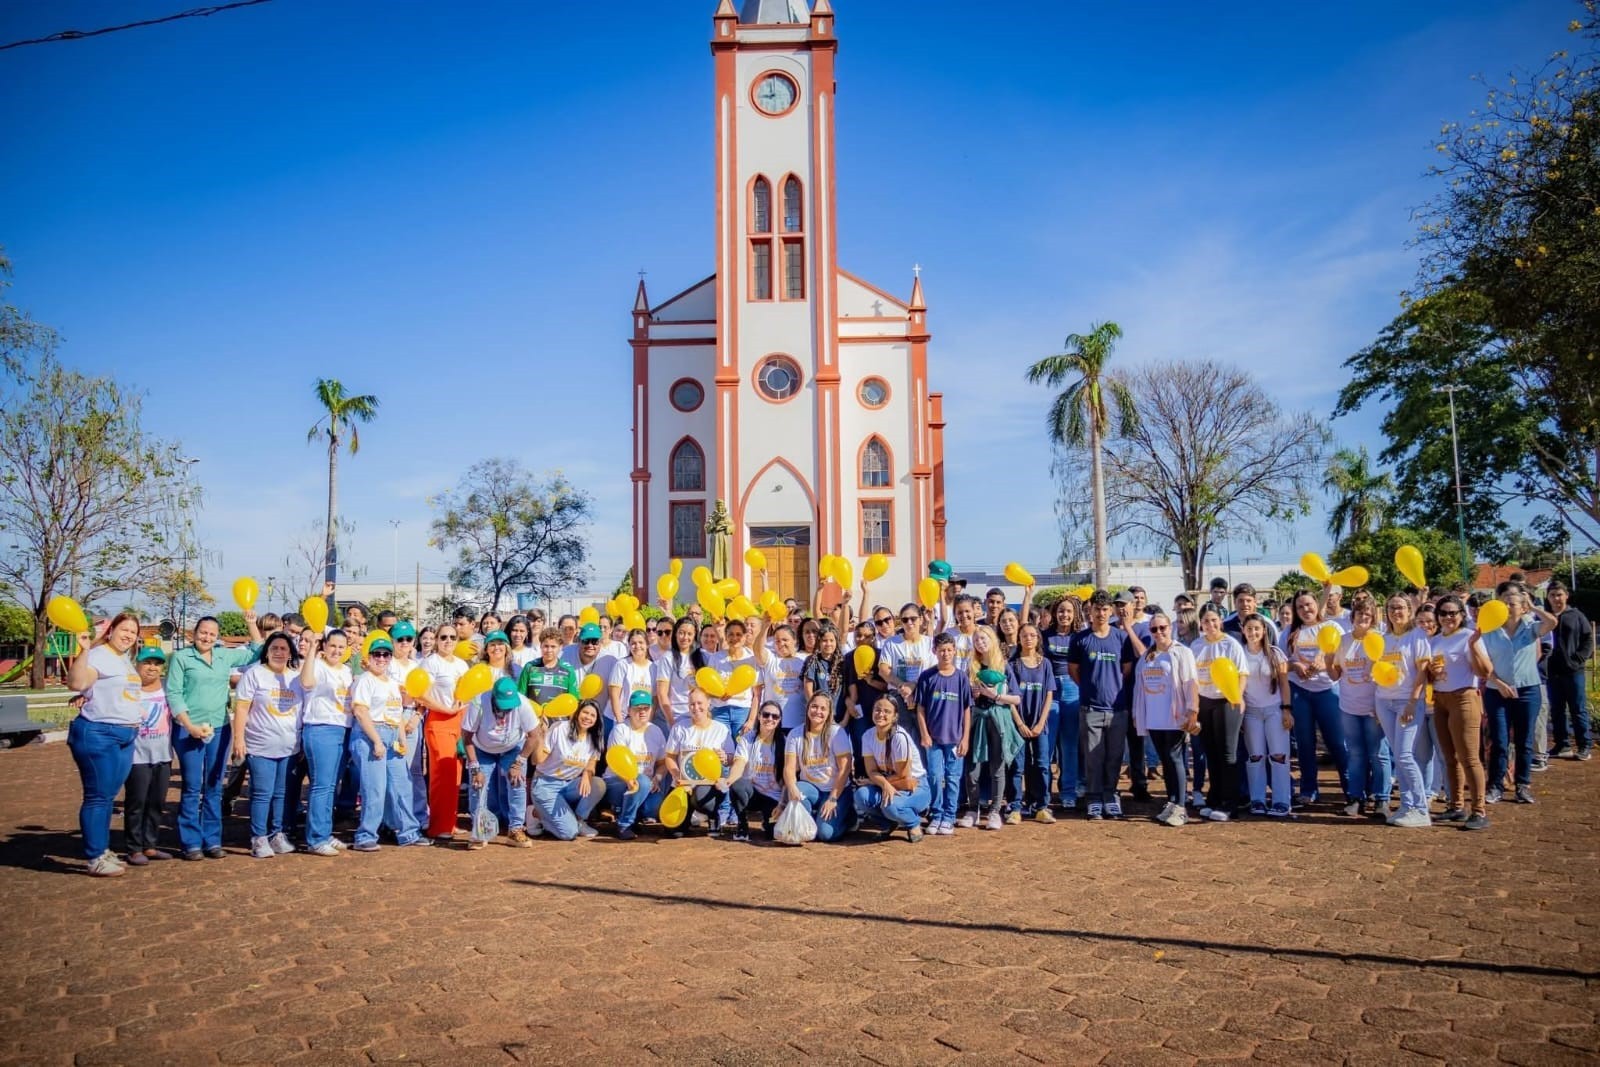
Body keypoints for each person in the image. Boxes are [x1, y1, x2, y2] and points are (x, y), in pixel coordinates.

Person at [166, 614, 262, 861]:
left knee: (214, 785)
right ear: (194, 634)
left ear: (217, 637)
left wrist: (251, 623)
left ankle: (212, 840)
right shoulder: (181, 657)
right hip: (189, 730)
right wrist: (189, 725)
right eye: (203, 632)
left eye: (212, 634)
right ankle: (191, 842)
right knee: (191, 786)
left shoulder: (223, 656)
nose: (207, 637)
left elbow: (258, 650)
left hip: (219, 728)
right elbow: (174, 694)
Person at [65, 613, 146, 876]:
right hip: (99, 733)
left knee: (108, 796)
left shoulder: (124, 659)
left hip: (125, 735)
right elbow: (78, 682)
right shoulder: (98, 655)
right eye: (124, 629)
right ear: (111, 631)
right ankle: (95, 856)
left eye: (133, 632)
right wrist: (84, 651)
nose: (128, 635)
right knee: (97, 797)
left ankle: (102, 848)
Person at [1480, 588, 1559, 804]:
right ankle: (1495, 785)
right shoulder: (1490, 631)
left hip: (1527, 690)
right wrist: (1498, 682)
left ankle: (1522, 785)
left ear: (1522, 608)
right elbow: (1482, 662)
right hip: (1497, 691)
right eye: (1503, 602)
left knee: (1525, 740)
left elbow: (1552, 622)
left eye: (1512, 604)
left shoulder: (1531, 627)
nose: (1506, 607)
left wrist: (1532, 607)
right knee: (1500, 740)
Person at [231, 631, 305, 859]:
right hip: (260, 745)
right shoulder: (254, 674)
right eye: (274, 648)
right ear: (267, 651)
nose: (279, 653)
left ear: (290, 653)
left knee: (281, 793)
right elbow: (242, 707)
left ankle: (277, 834)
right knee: (263, 793)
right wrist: (238, 738)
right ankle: (259, 837)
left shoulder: (296, 678)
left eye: (284, 649)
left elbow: (300, 711)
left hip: (289, 746)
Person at [347, 636, 426, 851]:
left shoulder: (392, 684)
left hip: (391, 734)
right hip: (370, 734)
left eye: (386, 654)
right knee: (375, 788)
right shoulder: (364, 680)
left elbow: (396, 714)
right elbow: (360, 712)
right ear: (369, 656)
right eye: (377, 654)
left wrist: (401, 739)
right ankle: (365, 836)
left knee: (402, 785)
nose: (381, 659)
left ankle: (409, 832)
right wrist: (376, 741)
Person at [1070, 591, 1135, 821]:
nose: (1101, 613)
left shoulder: (1122, 638)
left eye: (1105, 609)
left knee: (1115, 756)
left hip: (1117, 709)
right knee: (1093, 758)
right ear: (1090, 611)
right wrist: (1091, 687)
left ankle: (1111, 796)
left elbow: (1126, 669)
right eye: (1097, 609)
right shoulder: (1080, 639)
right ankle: (1094, 798)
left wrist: (1111, 686)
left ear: (1111, 611)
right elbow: (1073, 670)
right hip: (1091, 709)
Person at [1429, 594, 1492, 830]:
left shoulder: (1469, 636)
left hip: (1464, 697)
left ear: (1462, 615)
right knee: (1449, 757)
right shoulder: (1435, 640)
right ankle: (1455, 806)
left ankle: (1479, 810)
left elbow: (1485, 671)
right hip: (1440, 699)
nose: (1447, 617)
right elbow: (1428, 675)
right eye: (1443, 613)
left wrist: (1474, 645)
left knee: (1469, 757)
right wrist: (1431, 672)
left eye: (1452, 613)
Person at [1281, 589, 1349, 807]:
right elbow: (1281, 663)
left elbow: (1345, 657)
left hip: (1328, 690)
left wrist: (1326, 662)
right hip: (1299, 691)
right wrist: (1295, 665)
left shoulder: (1332, 627)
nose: (1305, 609)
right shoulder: (1289, 632)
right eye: (1300, 607)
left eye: (1308, 604)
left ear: (1317, 605)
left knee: (1337, 742)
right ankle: (1309, 789)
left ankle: (1352, 790)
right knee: (1305, 743)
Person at [1131, 611, 1199, 827]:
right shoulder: (1147, 656)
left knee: (1175, 757)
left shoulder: (1182, 652)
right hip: (1154, 718)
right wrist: (1137, 714)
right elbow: (1139, 687)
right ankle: (1172, 801)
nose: (1158, 632)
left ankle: (1181, 806)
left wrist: (1192, 710)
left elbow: (1191, 682)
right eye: (1154, 629)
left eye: (1163, 628)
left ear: (1170, 628)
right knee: (1165, 760)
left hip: (1175, 717)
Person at [1372, 595, 1434, 827]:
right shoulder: (1383, 638)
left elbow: (1422, 673)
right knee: (1398, 756)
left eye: (1400, 607)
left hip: (1407, 702)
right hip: (1384, 701)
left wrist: (1412, 702)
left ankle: (1421, 808)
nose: (1395, 611)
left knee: (1405, 755)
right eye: (1391, 607)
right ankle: (1406, 806)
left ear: (1409, 610)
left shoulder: (1417, 636)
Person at [1328, 595, 1390, 819]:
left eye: (1368, 614)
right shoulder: (1343, 641)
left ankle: (1381, 799)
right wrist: (1327, 658)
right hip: (1349, 707)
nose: (1363, 617)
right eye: (1360, 613)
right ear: (1352, 617)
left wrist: (1382, 705)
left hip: (1374, 707)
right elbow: (1335, 675)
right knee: (1355, 754)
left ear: (1373, 618)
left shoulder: (1381, 640)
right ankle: (1355, 798)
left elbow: (1387, 674)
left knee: (1379, 754)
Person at [462, 677, 540, 848]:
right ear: (493, 698)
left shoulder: (523, 703)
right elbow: (466, 737)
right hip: (482, 749)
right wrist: (475, 769)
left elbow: (534, 735)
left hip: (512, 747)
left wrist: (518, 763)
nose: (506, 709)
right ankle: (479, 831)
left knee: (517, 782)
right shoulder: (478, 703)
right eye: (502, 705)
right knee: (478, 786)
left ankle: (515, 830)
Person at [959, 626, 1023, 832]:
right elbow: (964, 697)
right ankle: (973, 809)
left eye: (983, 638)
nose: (980, 642)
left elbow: (1017, 698)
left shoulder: (1003, 666)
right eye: (976, 640)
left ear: (992, 639)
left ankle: (995, 811)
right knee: (973, 768)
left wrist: (995, 695)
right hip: (977, 719)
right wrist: (974, 694)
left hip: (999, 719)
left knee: (997, 767)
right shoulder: (971, 667)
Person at [1189, 604, 1249, 822]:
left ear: (1221, 621)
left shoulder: (1231, 644)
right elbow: (1192, 678)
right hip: (1205, 702)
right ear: (1201, 624)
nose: (1210, 624)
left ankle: (1230, 804)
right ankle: (1214, 799)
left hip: (1227, 701)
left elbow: (1242, 674)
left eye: (1214, 620)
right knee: (1211, 752)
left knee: (1227, 753)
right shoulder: (1196, 645)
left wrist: (1237, 697)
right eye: (1206, 621)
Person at [297, 628, 354, 856]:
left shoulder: (347, 671)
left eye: (341, 647)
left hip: (343, 729)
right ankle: (315, 838)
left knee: (331, 785)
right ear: (325, 646)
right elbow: (306, 682)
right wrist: (312, 648)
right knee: (321, 785)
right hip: (321, 728)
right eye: (333, 646)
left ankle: (325, 831)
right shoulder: (317, 665)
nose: (337, 651)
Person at [912, 631, 972, 835]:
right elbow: (920, 709)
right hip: (933, 739)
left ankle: (949, 815)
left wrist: (965, 738)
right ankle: (936, 814)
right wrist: (924, 734)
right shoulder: (927, 677)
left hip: (955, 738)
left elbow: (967, 709)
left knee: (953, 777)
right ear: (934, 651)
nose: (945, 654)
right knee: (935, 776)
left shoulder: (961, 678)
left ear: (954, 651)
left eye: (949, 650)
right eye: (941, 650)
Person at [853, 696, 932, 842]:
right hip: (888, 783)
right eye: (877, 710)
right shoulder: (867, 736)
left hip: (914, 785)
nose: (880, 714)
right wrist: (884, 785)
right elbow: (871, 771)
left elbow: (903, 775)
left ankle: (913, 823)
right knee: (861, 796)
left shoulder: (899, 737)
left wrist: (876, 782)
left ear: (895, 716)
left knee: (890, 806)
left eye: (887, 711)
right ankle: (888, 824)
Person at [122, 646, 174, 866]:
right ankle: (134, 848)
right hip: (137, 755)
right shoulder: (129, 688)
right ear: (137, 664)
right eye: (147, 663)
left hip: (162, 754)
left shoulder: (168, 689)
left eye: (157, 664)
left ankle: (150, 845)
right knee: (137, 802)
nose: (152, 668)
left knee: (156, 802)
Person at [418, 623, 469, 841]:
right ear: (437, 640)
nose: (448, 641)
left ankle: (450, 822)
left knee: (455, 775)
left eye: (452, 637)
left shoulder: (461, 664)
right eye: (444, 637)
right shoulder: (430, 663)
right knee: (442, 774)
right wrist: (445, 709)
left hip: (459, 720)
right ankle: (438, 826)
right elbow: (421, 694)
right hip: (439, 720)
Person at [1238, 616, 1293, 817]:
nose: (1253, 633)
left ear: (1263, 630)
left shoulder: (1275, 653)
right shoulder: (1239, 654)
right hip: (1251, 713)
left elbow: (1284, 684)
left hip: (1274, 710)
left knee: (1279, 756)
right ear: (1242, 630)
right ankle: (1258, 799)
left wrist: (1286, 709)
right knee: (1255, 757)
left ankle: (1281, 800)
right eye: (1249, 628)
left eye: (1257, 629)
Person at [662, 687, 736, 835]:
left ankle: (712, 816)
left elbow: (731, 759)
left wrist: (725, 757)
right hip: (683, 785)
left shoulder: (720, 729)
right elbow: (669, 757)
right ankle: (690, 816)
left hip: (709, 787)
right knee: (673, 832)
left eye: (699, 703)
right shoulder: (679, 727)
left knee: (702, 796)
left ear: (708, 703)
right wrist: (676, 775)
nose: (696, 707)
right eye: (692, 704)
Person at [783, 692, 854, 842]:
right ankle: (809, 821)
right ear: (808, 708)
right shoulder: (795, 734)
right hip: (811, 788)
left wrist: (833, 798)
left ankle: (849, 818)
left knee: (825, 834)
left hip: (836, 790)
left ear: (829, 713)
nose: (818, 711)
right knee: (797, 789)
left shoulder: (837, 732)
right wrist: (792, 788)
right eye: (814, 706)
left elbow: (845, 769)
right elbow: (789, 768)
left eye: (823, 709)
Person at [529, 701, 605, 840]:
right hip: (545, 784)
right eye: (585, 712)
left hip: (569, 784)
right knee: (569, 834)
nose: (588, 717)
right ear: (576, 713)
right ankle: (536, 813)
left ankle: (579, 821)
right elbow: (536, 760)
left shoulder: (594, 737)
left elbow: (591, 765)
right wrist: (540, 736)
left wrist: (586, 775)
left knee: (598, 784)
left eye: (592, 715)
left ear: (597, 719)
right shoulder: (560, 728)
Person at [602, 690, 666, 839]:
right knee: (641, 782)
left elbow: (662, 763)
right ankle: (624, 824)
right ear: (629, 710)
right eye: (637, 708)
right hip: (617, 781)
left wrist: (657, 778)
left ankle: (634, 815)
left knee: (656, 804)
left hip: (644, 784)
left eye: (646, 708)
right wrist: (631, 781)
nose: (642, 712)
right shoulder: (620, 730)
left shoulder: (656, 731)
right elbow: (616, 762)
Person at [1010, 623, 1057, 822]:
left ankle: (1042, 806)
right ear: (1019, 639)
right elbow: (1009, 698)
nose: (1028, 639)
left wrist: (1040, 723)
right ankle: (1015, 807)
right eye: (1024, 635)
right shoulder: (1012, 665)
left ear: (1038, 639)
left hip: (1040, 724)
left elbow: (1049, 695)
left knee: (1042, 765)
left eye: (1032, 635)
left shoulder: (1045, 664)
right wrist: (1020, 724)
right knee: (1017, 766)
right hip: (1018, 724)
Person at [1544, 581, 1593, 760]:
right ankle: (1561, 744)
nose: (1556, 598)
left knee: (1578, 709)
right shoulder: (1545, 617)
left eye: (1559, 595)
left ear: (1566, 596)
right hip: (1552, 672)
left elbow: (1588, 639)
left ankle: (1584, 745)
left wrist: (1578, 659)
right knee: (1557, 710)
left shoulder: (1576, 616)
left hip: (1573, 672)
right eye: (1552, 595)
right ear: (1547, 597)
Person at [1043, 597, 1083, 811]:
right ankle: (1044, 794)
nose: (1064, 615)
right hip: (1050, 691)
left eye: (1068, 611)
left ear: (1075, 614)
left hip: (1072, 688)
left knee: (1069, 746)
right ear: (1054, 613)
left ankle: (1068, 792)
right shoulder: (1045, 635)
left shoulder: (1080, 636)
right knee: (1047, 747)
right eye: (1060, 611)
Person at [727, 701, 787, 840]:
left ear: (779, 720)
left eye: (775, 716)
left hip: (773, 797)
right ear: (759, 716)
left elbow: (787, 777)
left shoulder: (784, 742)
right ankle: (742, 823)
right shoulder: (747, 739)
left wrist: (782, 803)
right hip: (752, 793)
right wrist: (729, 780)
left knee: (773, 834)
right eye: (766, 715)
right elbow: (739, 764)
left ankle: (767, 821)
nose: (770, 719)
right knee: (737, 785)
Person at [879, 602, 933, 717]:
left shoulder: (929, 643)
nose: (909, 623)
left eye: (913, 619)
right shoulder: (891, 643)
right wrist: (902, 686)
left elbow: (933, 670)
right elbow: (883, 670)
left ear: (921, 620)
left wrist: (913, 685)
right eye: (905, 620)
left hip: (923, 693)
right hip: (898, 694)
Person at [750, 616, 805, 729]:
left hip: (798, 724)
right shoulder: (771, 658)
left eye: (785, 640)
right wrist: (765, 627)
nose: (781, 644)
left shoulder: (804, 660)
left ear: (794, 640)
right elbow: (757, 650)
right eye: (777, 641)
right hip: (772, 722)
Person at [710, 617, 761, 738]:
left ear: (745, 637)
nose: (734, 638)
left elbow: (757, 694)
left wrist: (751, 720)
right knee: (721, 745)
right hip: (719, 710)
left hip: (743, 711)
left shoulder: (752, 658)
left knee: (740, 745)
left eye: (738, 634)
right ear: (726, 636)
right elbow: (708, 687)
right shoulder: (716, 658)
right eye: (731, 634)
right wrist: (717, 695)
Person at [652, 616, 702, 729]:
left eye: (689, 634)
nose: (685, 637)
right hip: (678, 715)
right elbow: (662, 693)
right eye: (681, 633)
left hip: (700, 713)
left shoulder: (703, 656)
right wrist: (671, 721)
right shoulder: (667, 658)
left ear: (695, 635)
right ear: (675, 634)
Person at [608, 628, 657, 727]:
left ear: (647, 645)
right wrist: (620, 721)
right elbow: (614, 695)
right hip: (624, 719)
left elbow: (654, 699)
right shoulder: (622, 665)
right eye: (633, 643)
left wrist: (647, 721)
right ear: (629, 645)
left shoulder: (654, 668)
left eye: (641, 642)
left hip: (643, 720)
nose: (637, 646)